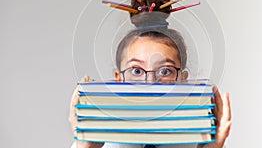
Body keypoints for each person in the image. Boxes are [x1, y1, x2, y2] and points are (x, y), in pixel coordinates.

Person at [69, 28, 231, 148]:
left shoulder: (196, 140)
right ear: (118, 80)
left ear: (182, 79)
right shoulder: (99, 140)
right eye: (137, 70)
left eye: (165, 70)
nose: (150, 81)